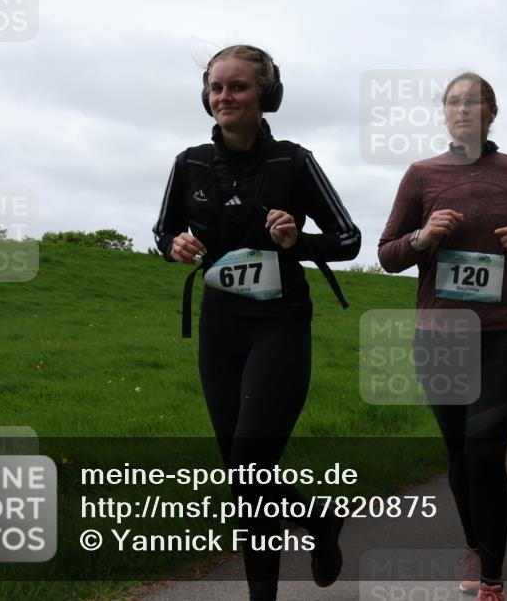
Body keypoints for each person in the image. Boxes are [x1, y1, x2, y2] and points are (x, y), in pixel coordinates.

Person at [153, 44, 360, 601]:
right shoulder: (189, 162)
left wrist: (298, 240)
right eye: (217, 87)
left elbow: (348, 239)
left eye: (238, 86)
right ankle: (313, 524)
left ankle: (318, 522)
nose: (225, 97)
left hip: (280, 326)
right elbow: (160, 233)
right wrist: (174, 244)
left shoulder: (294, 161)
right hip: (219, 328)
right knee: (245, 480)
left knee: (250, 468)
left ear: (266, 94)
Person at [377, 72, 507, 601]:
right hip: (441, 335)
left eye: (472, 102)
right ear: (443, 114)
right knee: (458, 454)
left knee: (484, 450)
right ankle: (474, 545)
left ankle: (493, 577)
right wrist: (423, 236)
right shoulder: (421, 175)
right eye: (452, 103)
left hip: (506, 333)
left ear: (491, 112)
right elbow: (388, 254)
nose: (461, 110)